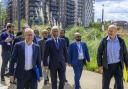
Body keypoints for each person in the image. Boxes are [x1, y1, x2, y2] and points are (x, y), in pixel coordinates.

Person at [97, 25, 128, 89]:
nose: (109, 32)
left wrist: (127, 65)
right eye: (108, 30)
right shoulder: (104, 41)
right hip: (107, 67)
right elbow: (99, 53)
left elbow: (125, 54)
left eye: (111, 31)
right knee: (105, 86)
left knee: (120, 86)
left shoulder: (121, 41)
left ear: (116, 31)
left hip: (118, 67)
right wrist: (100, 65)